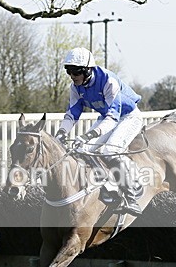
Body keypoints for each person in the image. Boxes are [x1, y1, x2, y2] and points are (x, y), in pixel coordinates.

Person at [53, 47, 146, 215]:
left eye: (76, 72)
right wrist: (61, 133)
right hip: (106, 118)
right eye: (69, 72)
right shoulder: (75, 87)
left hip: (128, 117)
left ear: (87, 70)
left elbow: (113, 117)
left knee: (109, 151)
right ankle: (108, 187)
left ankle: (131, 197)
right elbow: (72, 114)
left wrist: (89, 134)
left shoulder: (108, 81)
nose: (72, 76)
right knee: (82, 149)